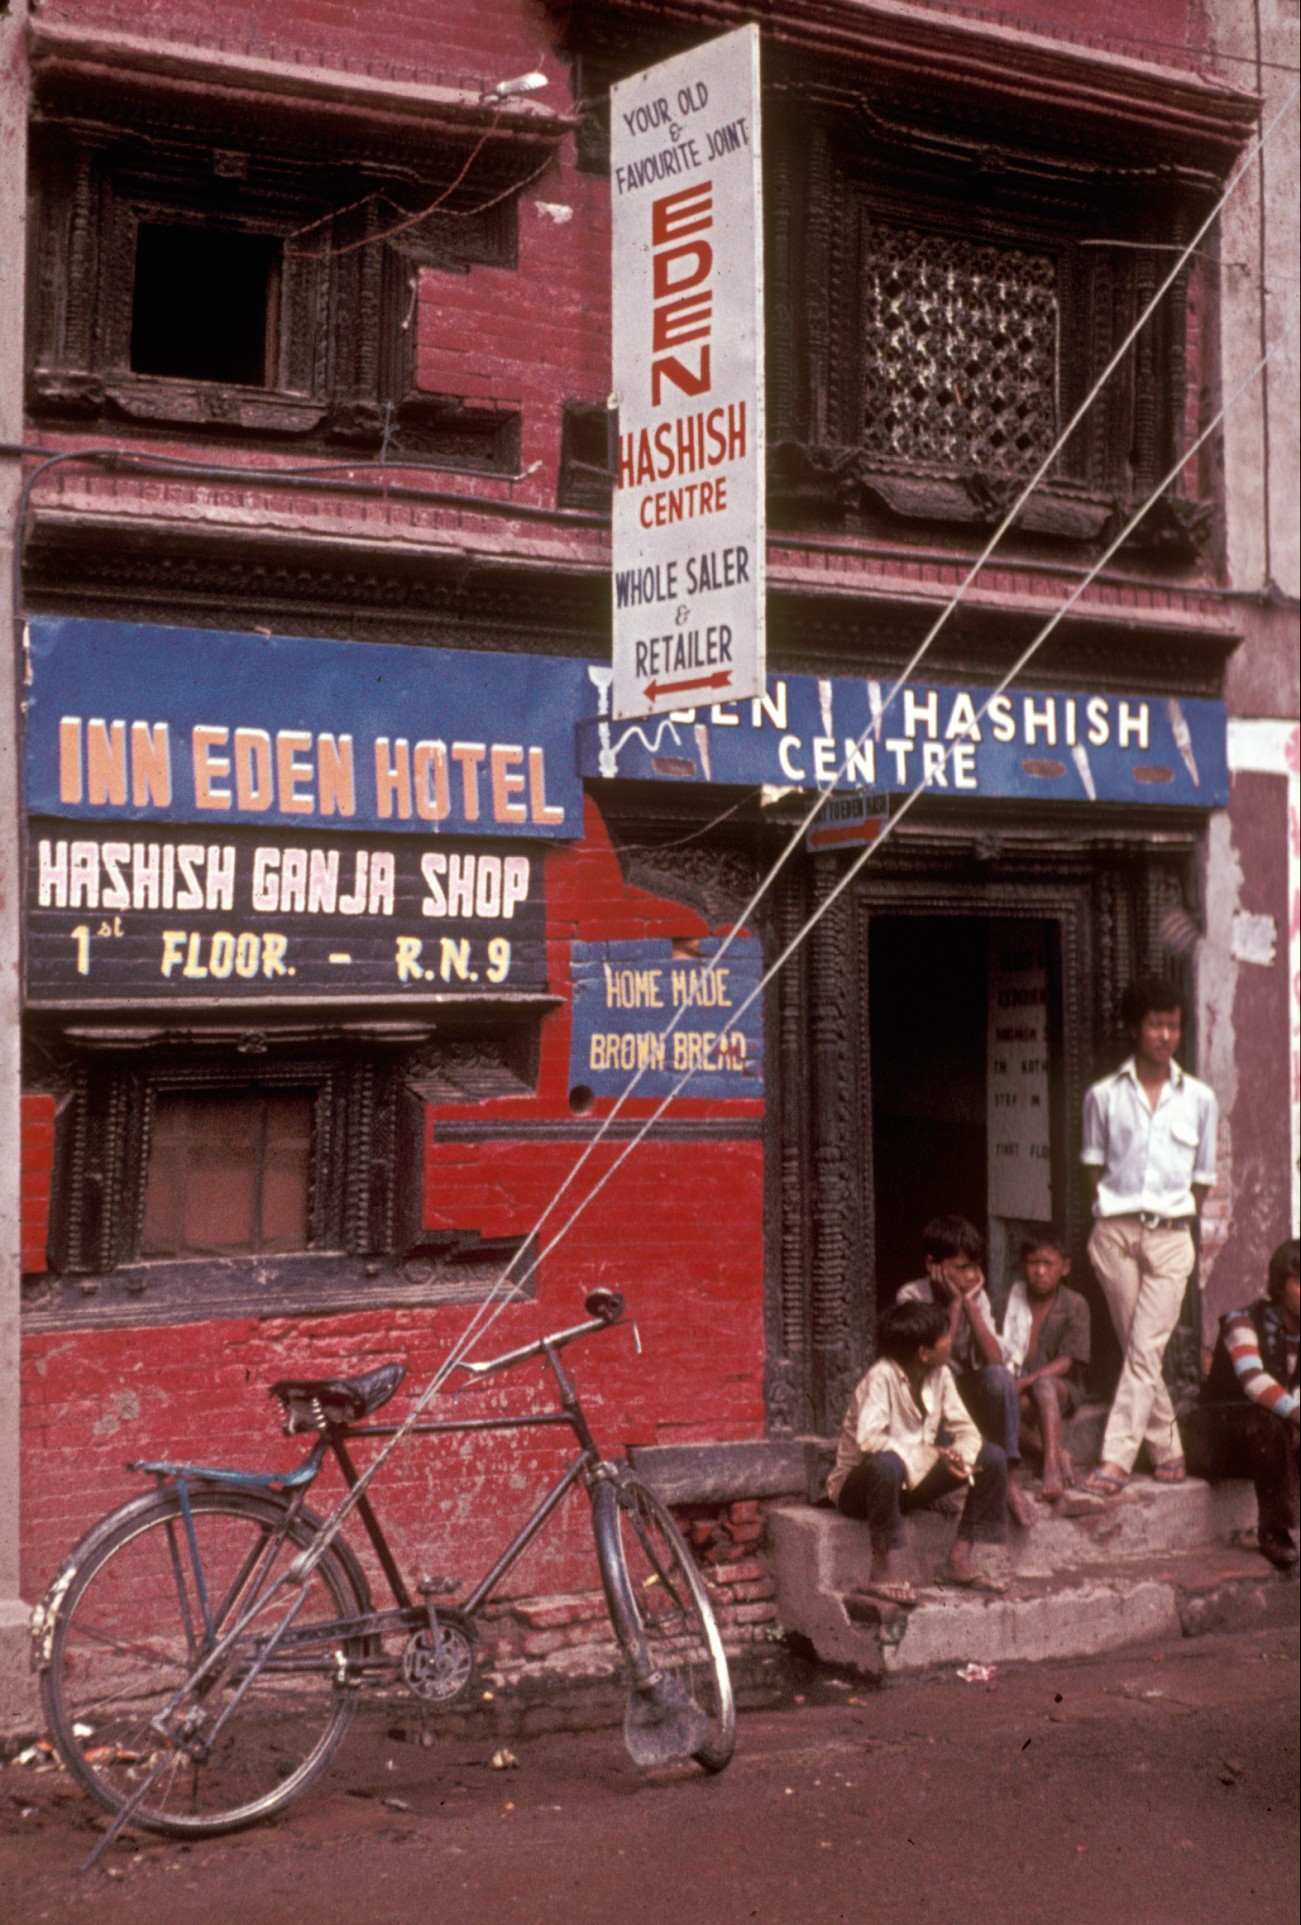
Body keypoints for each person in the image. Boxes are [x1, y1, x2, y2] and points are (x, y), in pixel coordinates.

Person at [1079, 974, 1217, 1499]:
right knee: (1141, 1348)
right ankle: (1168, 1448)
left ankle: (1116, 1458)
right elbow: (1094, 1166)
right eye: (1155, 1024)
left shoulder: (1199, 1100)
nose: (1165, 1035)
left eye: (1173, 1026)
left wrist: (1170, 1219)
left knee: (1143, 1347)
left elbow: (1202, 1178)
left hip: (1171, 1239)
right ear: (1135, 1029)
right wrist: (1122, 1216)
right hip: (1115, 1235)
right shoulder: (1103, 1097)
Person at [827, 1299, 1010, 1606]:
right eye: (944, 1337)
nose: (950, 1340)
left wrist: (957, 1458)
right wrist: (932, 1454)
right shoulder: (881, 1376)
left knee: (991, 1456)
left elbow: (967, 1431)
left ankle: (959, 1560)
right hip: (862, 1490)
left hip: (910, 1483)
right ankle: (882, 1572)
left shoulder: (941, 1375)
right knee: (886, 1463)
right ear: (923, 1353)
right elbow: (869, 1441)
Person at [898, 1215, 1037, 1527]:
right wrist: (954, 1307)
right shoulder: (911, 1296)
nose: (973, 1276)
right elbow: (935, 1362)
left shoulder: (977, 1296)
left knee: (1000, 1379)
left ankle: (1008, 1480)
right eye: (962, 1268)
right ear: (933, 1264)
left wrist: (971, 1306)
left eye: (976, 1266)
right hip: (929, 1400)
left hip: (966, 1398)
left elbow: (995, 1360)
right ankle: (931, 1482)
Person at [1180, 1238, 1299, 1573]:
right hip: (1212, 1439)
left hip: (1268, 1442)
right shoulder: (1242, 1321)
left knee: (1277, 1422)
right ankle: (1274, 1532)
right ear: (1279, 1285)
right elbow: (1254, 1382)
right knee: (1268, 1421)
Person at [1000, 1233, 1091, 1501]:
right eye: (1033, 1263)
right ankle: (1056, 1454)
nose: (1040, 1271)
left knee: (1043, 1384)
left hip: (1061, 1387)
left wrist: (1027, 1382)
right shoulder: (1006, 1301)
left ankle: (1050, 1466)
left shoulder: (1075, 1304)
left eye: (1049, 1264)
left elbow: (1068, 1361)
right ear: (1022, 1265)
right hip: (1018, 1384)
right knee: (1012, 1408)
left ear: (1065, 1267)